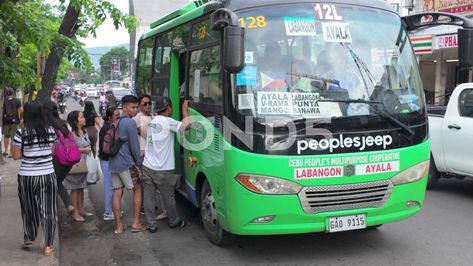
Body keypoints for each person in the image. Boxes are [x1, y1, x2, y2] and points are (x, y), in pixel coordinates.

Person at [10, 101, 57, 256]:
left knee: (29, 208)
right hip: (48, 175)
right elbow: (52, 152)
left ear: (26, 114)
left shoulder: (21, 133)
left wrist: (29, 153)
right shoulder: (51, 130)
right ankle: (48, 245)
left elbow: (15, 155)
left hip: (28, 176)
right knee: (49, 210)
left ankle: (29, 237)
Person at [142, 96, 191, 233]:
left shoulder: (154, 121)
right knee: (168, 197)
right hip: (163, 169)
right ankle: (174, 221)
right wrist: (184, 108)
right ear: (169, 108)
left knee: (149, 197)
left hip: (147, 166)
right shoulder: (168, 122)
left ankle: (152, 225)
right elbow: (188, 127)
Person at [109, 95, 147, 234]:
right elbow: (135, 147)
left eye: (137, 107)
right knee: (137, 189)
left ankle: (119, 226)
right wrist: (138, 164)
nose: (135, 110)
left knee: (117, 193)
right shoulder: (130, 123)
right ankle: (136, 222)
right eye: (133, 107)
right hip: (127, 163)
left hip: (113, 163)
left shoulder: (116, 121)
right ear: (124, 108)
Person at [133, 95, 167, 220]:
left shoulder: (152, 116)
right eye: (144, 104)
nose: (148, 106)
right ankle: (145, 208)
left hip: (153, 153)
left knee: (155, 184)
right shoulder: (138, 118)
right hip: (143, 154)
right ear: (139, 105)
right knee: (147, 184)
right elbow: (149, 135)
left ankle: (154, 208)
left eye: (149, 103)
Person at [43, 101, 75, 214]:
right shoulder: (64, 124)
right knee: (57, 181)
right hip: (68, 159)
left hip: (56, 159)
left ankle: (53, 209)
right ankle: (68, 204)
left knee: (52, 183)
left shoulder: (46, 127)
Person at [63, 111, 93, 222]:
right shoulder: (72, 134)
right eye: (81, 117)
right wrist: (85, 149)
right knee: (75, 189)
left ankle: (81, 209)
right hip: (75, 164)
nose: (84, 118)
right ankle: (74, 212)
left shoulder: (83, 131)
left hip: (83, 164)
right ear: (76, 121)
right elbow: (70, 149)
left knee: (81, 187)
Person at [98, 107, 120, 221]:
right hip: (106, 160)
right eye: (116, 115)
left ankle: (112, 209)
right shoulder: (108, 128)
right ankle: (108, 212)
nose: (118, 117)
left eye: (119, 115)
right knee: (109, 186)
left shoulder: (108, 126)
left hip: (106, 160)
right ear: (110, 117)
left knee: (111, 186)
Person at [2, 87, 22, 157]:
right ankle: (11, 153)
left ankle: (5, 151)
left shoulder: (3, 101)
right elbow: (21, 110)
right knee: (13, 137)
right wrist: (20, 118)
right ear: (13, 93)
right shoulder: (17, 101)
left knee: (6, 137)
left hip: (5, 122)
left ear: (6, 93)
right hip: (15, 121)